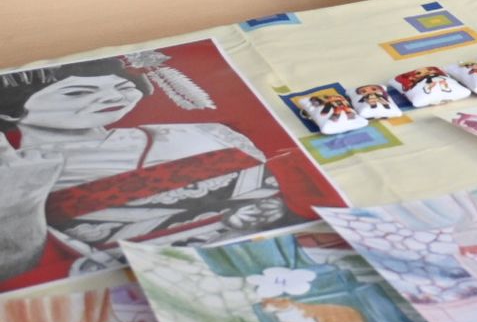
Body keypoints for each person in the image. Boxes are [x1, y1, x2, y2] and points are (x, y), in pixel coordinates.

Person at [0, 57, 295, 288]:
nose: (111, 98)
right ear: (10, 111)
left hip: (269, 257)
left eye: (122, 87)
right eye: (77, 92)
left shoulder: (206, 133)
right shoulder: (14, 171)